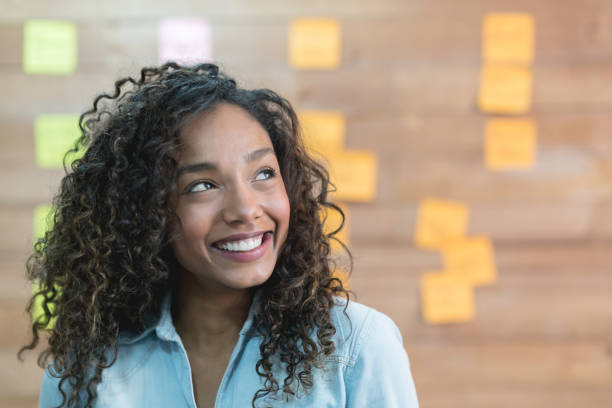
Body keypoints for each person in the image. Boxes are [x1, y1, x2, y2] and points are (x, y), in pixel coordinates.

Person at [19, 63, 419, 408]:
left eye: (263, 174)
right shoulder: (88, 366)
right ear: (146, 211)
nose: (245, 209)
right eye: (202, 186)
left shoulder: (357, 349)